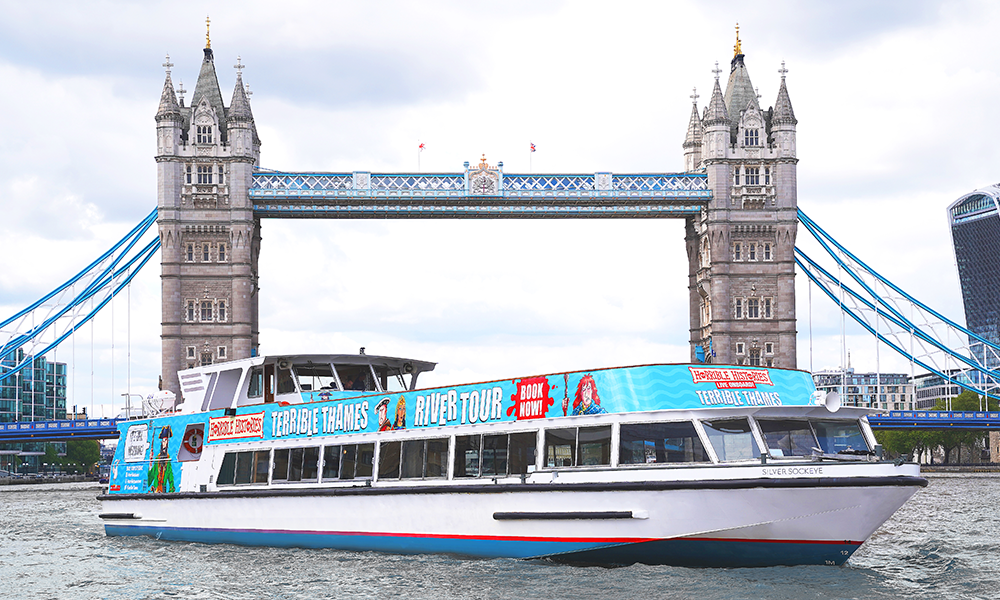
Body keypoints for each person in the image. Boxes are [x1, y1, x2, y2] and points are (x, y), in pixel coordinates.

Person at [147, 425, 175, 493]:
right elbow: (152, 474)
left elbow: (170, 474)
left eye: (166, 441)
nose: (164, 443)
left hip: (163, 487)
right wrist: (150, 463)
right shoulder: (157, 457)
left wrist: (171, 488)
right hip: (156, 487)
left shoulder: (168, 458)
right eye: (163, 441)